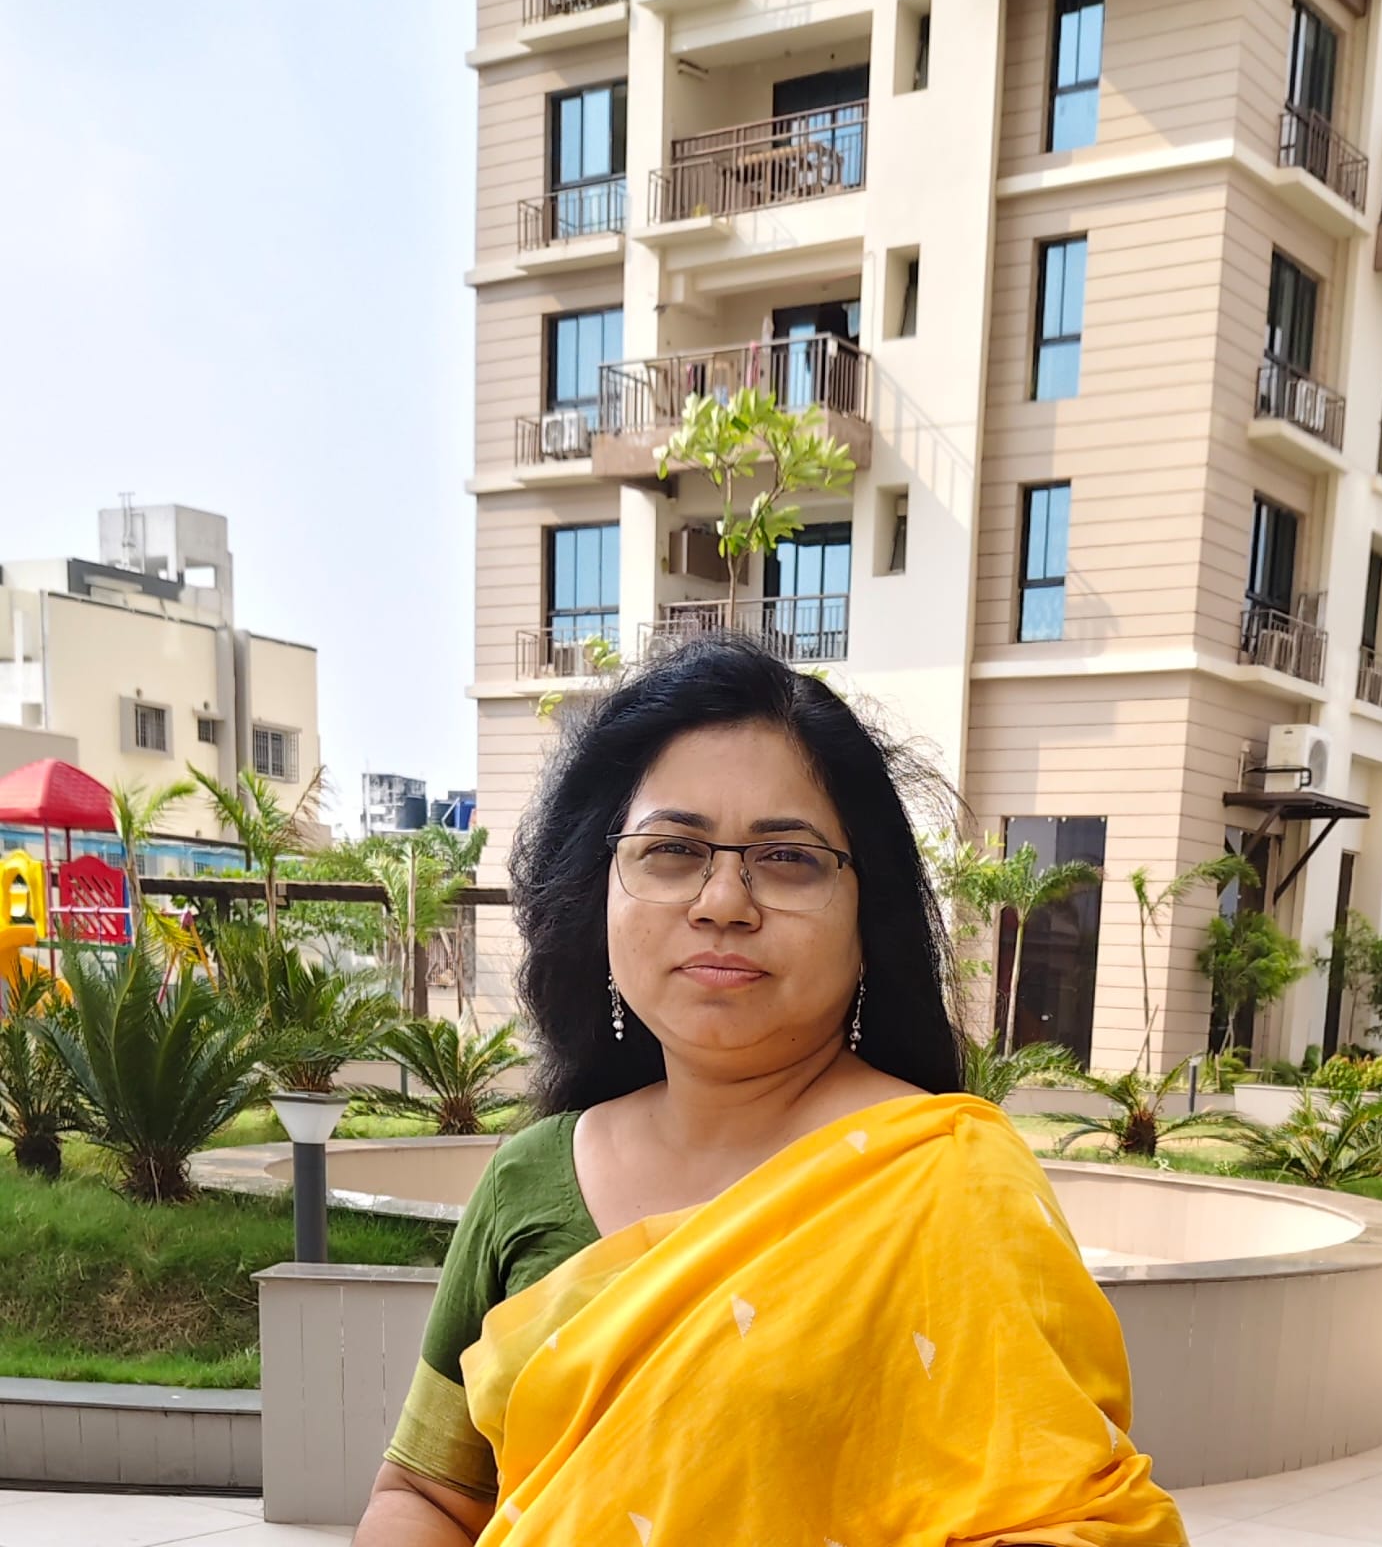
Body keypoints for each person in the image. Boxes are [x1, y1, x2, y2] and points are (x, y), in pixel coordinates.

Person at [355, 636, 1187, 1547]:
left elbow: (1070, 1519)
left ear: (867, 917)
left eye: (787, 858)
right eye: (671, 850)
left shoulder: (949, 1183)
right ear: (599, 894)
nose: (722, 900)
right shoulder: (528, 1175)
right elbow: (427, 1493)